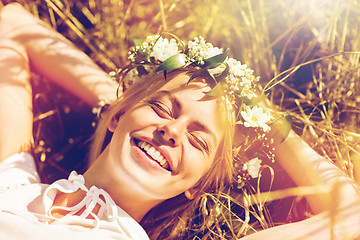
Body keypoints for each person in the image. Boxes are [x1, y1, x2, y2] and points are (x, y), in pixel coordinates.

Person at [0, 3, 359, 240]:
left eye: (198, 140)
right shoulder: (12, 178)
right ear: (118, 116)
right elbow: (12, 24)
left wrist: (266, 120)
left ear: (196, 187)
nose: (171, 132)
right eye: (162, 110)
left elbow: (351, 217)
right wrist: (125, 101)